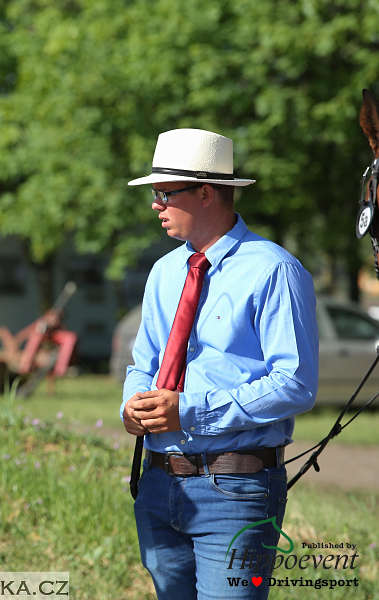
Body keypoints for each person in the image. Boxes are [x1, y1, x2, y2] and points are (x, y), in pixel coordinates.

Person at [121, 128, 319, 600]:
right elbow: (143, 363)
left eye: (165, 193)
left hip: (236, 489)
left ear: (206, 193)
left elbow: (295, 382)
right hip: (157, 482)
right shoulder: (165, 271)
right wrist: (132, 405)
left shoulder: (274, 270)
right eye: (155, 194)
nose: (156, 205)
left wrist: (188, 409)